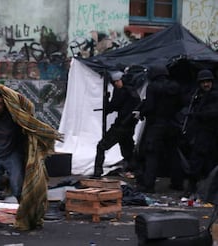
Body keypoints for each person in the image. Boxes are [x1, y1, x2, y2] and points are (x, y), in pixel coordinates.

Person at [0, 84, 63, 230]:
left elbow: (27, 111)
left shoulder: (14, 117)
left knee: (18, 190)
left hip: (12, 156)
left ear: (5, 104)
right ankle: (8, 183)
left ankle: (26, 215)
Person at [136, 65, 185, 193]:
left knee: (152, 155)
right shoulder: (175, 86)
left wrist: (141, 113)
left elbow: (150, 107)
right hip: (172, 124)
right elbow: (181, 104)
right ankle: (177, 183)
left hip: (157, 125)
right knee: (174, 154)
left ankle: (149, 185)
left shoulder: (152, 87)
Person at [93, 71, 141, 177]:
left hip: (121, 125)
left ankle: (97, 171)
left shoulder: (123, 91)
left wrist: (106, 100)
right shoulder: (132, 91)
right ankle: (134, 170)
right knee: (127, 149)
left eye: (116, 82)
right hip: (129, 126)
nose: (115, 84)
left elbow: (113, 106)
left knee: (102, 146)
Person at [184, 69, 218, 197]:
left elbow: (213, 113)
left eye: (208, 82)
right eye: (203, 82)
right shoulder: (198, 95)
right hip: (201, 134)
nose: (206, 85)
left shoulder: (214, 95)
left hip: (211, 134)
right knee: (198, 162)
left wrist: (197, 115)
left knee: (207, 164)